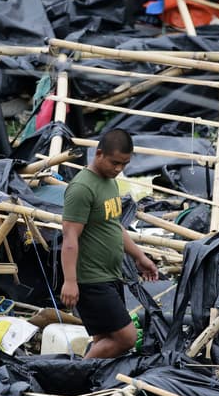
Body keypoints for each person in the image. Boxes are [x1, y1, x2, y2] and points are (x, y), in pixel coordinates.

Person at [59, 128, 158, 358]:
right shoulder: (82, 188)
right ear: (99, 153)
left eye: (124, 164)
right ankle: (77, 375)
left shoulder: (110, 182)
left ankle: (93, 382)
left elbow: (115, 226)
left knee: (105, 339)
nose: (118, 169)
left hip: (111, 275)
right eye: (115, 163)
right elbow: (70, 237)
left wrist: (139, 256)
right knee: (127, 337)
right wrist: (70, 281)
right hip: (91, 280)